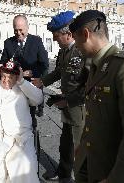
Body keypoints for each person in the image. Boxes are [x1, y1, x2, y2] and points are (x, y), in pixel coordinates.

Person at [69, 10, 124, 183]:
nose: (75, 45)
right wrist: (83, 148)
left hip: (115, 172)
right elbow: (96, 115)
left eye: (75, 39)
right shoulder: (97, 66)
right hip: (93, 165)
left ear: (86, 34)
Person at [32, 11, 88, 183]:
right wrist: (42, 81)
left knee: (78, 147)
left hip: (79, 107)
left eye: (56, 37)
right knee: (65, 144)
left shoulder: (81, 51)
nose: (55, 41)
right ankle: (63, 173)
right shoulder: (64, 51)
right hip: (66, 105)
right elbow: (58, 72)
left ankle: (78, 177)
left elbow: (89, 85)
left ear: (68, 34)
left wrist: (69, 100)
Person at [0, 14, 48, 121]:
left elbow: (44, 63)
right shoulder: (8, 43)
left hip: (31, 84)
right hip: (14, 85)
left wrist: (34, 74)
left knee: (30, 117)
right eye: (15, 30)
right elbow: (3, 63)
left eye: (21, 30)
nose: (18, 33)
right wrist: (17, 71)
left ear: (27, 27)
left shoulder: (36, 41)